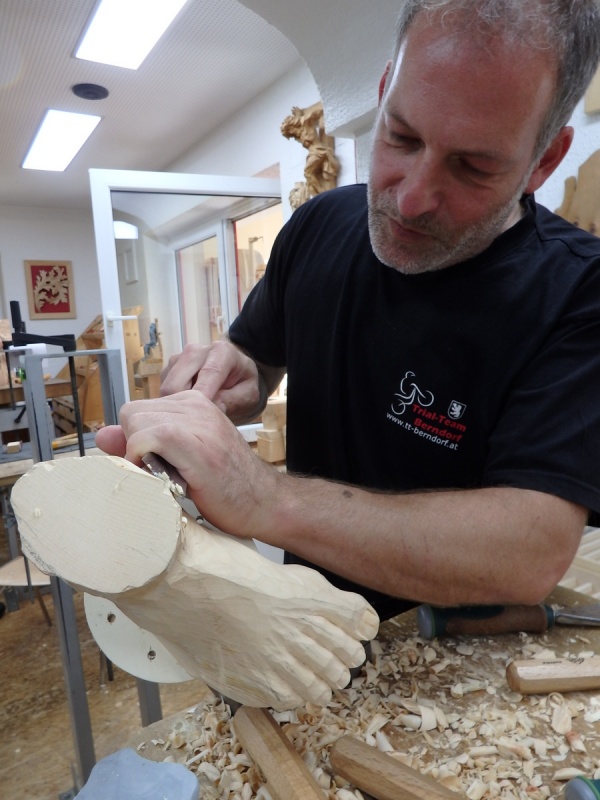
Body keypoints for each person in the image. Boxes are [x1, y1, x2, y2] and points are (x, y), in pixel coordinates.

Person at [97, 0, 600, 622]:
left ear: (545, 160)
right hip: (306, 617)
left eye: (473, 167)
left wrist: (266, 498)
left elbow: (529, 552)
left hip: (459, 651)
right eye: (401, 137)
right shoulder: (319, 224)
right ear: (385, 92)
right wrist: (232, 374)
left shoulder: (580, 291)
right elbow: (257, 353)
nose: (411, 199)